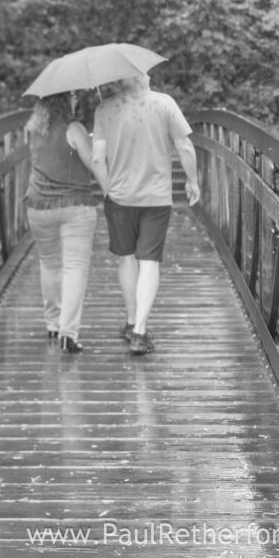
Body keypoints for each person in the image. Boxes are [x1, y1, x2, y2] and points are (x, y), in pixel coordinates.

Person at [91, 74, 200, 356]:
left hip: (119, 198)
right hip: (156, 197)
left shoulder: (104, 109)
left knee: (127, 259)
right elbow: (185, 145)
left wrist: (108, 190)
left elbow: (96, 159)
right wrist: (192, 181)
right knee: (149, 261)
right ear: (141, 79)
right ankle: (139, 331)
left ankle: (130, 322)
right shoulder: (164, 104)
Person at [25, 91, 99, 353]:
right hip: (73, 206)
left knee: (50, 263)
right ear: (63, 101)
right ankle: (68, 333)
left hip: (38, 205)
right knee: (75, 268)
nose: (77, 101)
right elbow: (92, 163)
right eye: (73, 97)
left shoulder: (33, 130)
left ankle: (53, 323)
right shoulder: (74, 129)